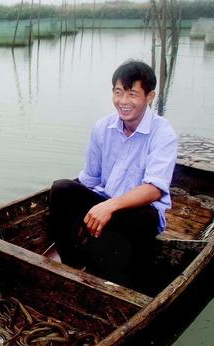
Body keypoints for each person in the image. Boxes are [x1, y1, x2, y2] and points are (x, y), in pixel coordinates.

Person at [49, 60, 177, 274]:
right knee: (61, 189)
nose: (123, 101)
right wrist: (76, 208)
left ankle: (108, 261)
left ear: (150, 96)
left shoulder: (163, 133)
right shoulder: (102, 127)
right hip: (105, 201)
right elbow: (90, 179)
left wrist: (109, 207)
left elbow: (154, 189)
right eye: (118, 93)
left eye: (132, 94)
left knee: (142, 218)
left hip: (138, 214)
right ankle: (72, 263)